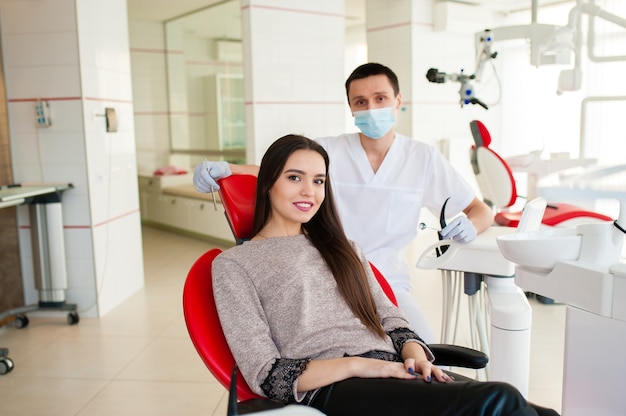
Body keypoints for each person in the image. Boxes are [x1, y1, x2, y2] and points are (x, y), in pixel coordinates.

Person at [212, 134, 557, 416]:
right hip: (333, 387)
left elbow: (389, 316)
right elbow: (265, 374)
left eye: (318, 181)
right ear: (267, 182)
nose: (309, 191)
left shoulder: (346, 248)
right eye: (294, 178)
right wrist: (360, 366)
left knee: (539, 413)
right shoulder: (236, 265)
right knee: (500, 400)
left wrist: (415, 356)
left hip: (393, 370)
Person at [197, 63, 493, 343]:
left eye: (380, 98)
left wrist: (470, 225)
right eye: (361, 101)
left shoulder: (423, 158)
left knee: (424, 346)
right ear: (351, 107)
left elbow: (479, 211)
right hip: (326, 273)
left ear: (398, 100)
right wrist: (228, 169)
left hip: (388, 281)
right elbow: (277, 172)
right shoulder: (329, 149)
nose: (371, 108)